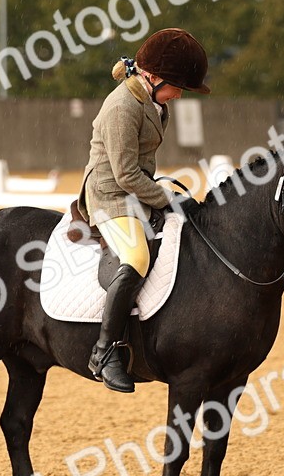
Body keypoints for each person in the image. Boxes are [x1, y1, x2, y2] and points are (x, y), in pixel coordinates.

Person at [76, 28, 211, 393]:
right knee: (136, 257)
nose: (179, 94)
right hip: (111, 195)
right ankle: (104, 353)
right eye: (177, 86)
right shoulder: (122, 107)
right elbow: (125, 174)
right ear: (152, 77)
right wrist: (166, 198)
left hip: (136, 189)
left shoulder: (153, 101)